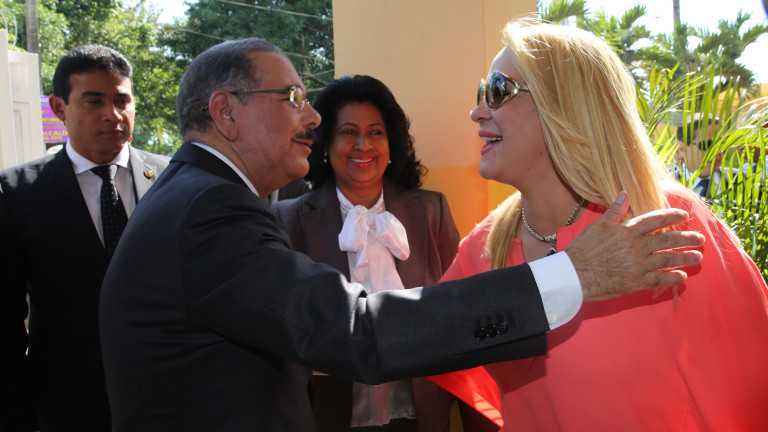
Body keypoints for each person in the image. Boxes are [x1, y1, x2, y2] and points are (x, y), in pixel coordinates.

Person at [98, 37, 704, 432]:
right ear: (225, 112)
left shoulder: (199, 198)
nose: (313, 116)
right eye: (291, 97)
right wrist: (570, 275)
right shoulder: (209, 212)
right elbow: (357, 331)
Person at [428, 19, 768, 431]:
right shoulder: (481, 248)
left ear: (565, 106)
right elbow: (430, 348)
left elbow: (751, 386)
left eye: (498, 90)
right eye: (482, 92)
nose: (477, 111)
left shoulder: (664, 220)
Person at [272, 75, 489, 432]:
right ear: (326, 143)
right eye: (348, 132)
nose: (363, 145)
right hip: (328, 414)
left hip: (421, 414)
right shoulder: (288, 218)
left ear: (391, 145)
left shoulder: (431, 211)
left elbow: (461, 317)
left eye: (376, 132)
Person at [0, 45, 170, 431]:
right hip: (68, 406)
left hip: (169, 400)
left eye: (122, 101)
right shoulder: (17, 193)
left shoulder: (171, 178)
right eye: (94, 102)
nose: (113, 114)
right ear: (58, 107)